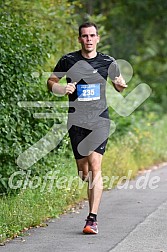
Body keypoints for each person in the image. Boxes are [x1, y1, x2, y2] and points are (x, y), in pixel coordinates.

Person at [47, 22, 127, 234]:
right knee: (84, 172)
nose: (89, 39)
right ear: (80, 39)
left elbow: (118, 85)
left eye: (92, 36)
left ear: (98, 38)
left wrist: (120, 85)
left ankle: (92, 219)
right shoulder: (69, 60)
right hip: (76, 121)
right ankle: (86, 186)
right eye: (85, 36)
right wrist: (61, 88)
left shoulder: (108, 62)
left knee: (95, 167)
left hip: (99, 120)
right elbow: (51, 81)